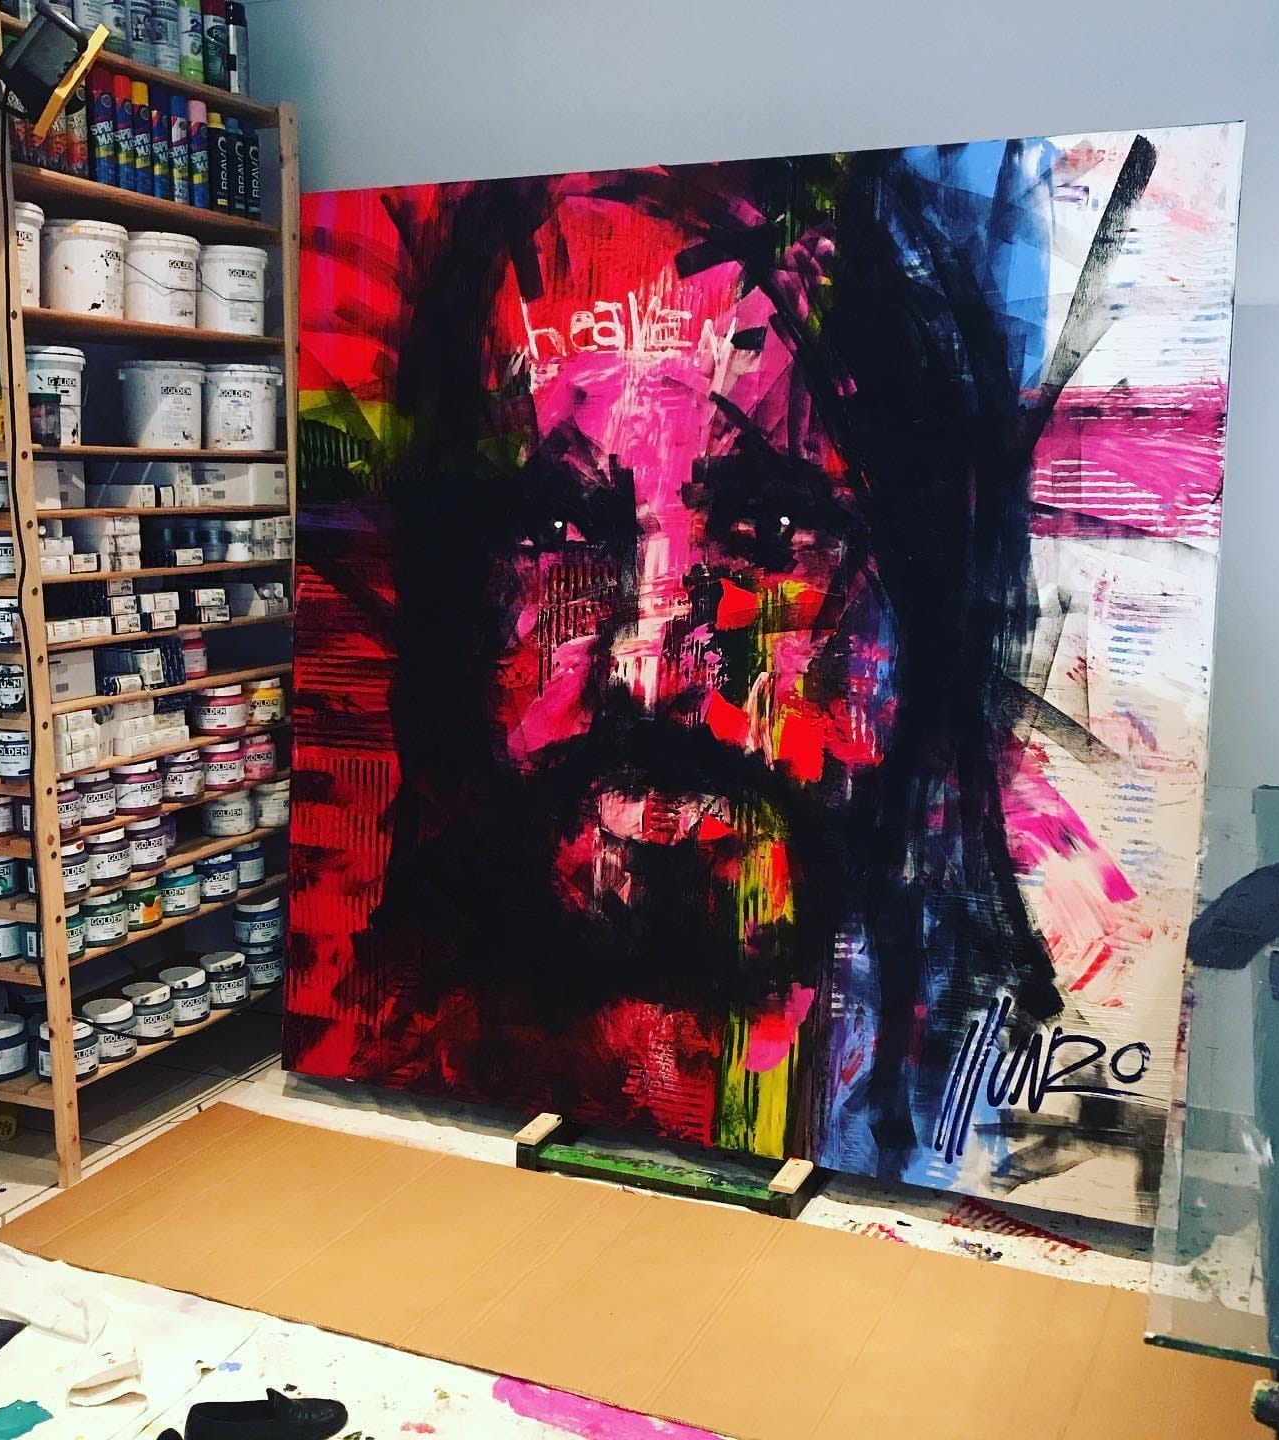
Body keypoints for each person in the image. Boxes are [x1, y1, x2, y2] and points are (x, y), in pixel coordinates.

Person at [308, 144, 1153, 1175]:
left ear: (919, 589)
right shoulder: (391, 1023)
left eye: (768, 529)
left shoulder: (1007, 1092)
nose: (646, 665)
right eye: (559, 530)